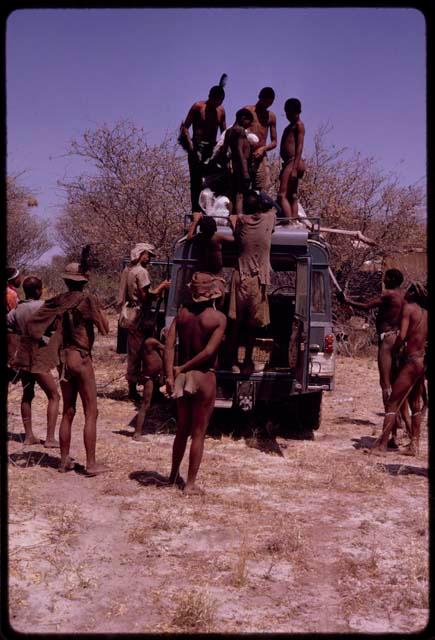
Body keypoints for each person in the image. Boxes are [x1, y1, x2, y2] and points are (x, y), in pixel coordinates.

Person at [27, 263, 109, 476]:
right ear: (84, 281)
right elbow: (106, 328)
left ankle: (64, 461)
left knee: (69, 411)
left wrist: (49, 340)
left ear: (66, 280)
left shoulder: (57, 301)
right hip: (81, 358)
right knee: (92, 412)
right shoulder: (87, 300)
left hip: (63, 359)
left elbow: (32, 326)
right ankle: (91, 464)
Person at [164, 272, 227, 495]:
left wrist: (172, 375)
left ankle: (172, 476)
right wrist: (184, 368)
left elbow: (169, 345)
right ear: (212, 292)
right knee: (198, 433)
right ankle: (190, 484)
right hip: (204, 377)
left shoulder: (181, 314)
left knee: (182, 429)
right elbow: (209, 351)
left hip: (182, 379)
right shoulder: (217, 318)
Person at [338, 268, 411, 443]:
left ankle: (391, 435)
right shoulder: (404, 296)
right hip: (399, 339)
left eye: (385, 276)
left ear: (391, 279)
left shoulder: (389, 294)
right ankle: (408, 432)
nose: (383, 279)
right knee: (398, 386)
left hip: (387, 341)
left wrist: (346, 300)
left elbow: (365, 306)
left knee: (386, 386)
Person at [370, 283, 428, 456]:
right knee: (415, 403)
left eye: (407, 290)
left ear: (411, 293)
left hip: (410, 361)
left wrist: (393, 349)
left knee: (392, 403)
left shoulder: (408, 309)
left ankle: (382, 446)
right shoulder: (426, 313)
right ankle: (414, 446)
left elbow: (401, 336)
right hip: (421, 361)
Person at [7, 276, 61, 447]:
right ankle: (50, 438)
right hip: (39, 355)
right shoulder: (44, 307)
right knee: (54, 395)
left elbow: (9, 326)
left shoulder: (17, 309)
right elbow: (55, 327)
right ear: (39, 290)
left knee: (27, 394)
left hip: (23, 355)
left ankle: (29, 435)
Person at [227, 190, 276, 373]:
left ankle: (233, 361)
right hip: (257, 279)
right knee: (252, 325)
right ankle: (247, 361)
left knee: (235, 324)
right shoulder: (269, 219)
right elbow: (274, 207)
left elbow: (234, 218)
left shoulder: (240, 221)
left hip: (240, 276)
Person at [119, 242, 170, 403]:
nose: (150, 259)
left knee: (133, 352)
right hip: (140, 316)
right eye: (148, 255)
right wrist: (162, 287)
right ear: (141, 254)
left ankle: (133, 389)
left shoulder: (128, 270)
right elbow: (146, 296)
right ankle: (149, 390)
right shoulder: (141, 272)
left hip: (131, 315)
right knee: (147, 351)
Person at [179, 79, 227, 215]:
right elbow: (185, 127)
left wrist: (222, 148)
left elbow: (224, 132)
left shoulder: (221, 111)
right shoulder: (198, 107)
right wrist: (190, 146)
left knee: (213, 180)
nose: (217, 103)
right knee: (196, 180)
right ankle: (196, 211)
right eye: (215, 100)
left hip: (212, 148)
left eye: (220, 101)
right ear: (209, 96)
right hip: (197, 146)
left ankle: (209, 210)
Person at [243, 87, 277, 192]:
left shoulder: (271, 116)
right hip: (245, 155)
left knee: (262, 187)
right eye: (265, 102)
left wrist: (263, 149)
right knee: (242, 186)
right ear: (259, 97)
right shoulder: (247, 110)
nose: (267, 105)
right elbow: (237, 131)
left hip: (260, 156)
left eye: (269, 103)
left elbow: (274, 142)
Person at [222, 108, 255, 215]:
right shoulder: (240, 131)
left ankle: (230, 217)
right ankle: (239, 220)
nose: (249, 125)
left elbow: (224, 150)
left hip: (234, 166)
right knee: (240, 195)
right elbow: (241, 151)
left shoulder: (228, 131)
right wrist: (245, 172)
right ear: (243, 118)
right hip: (241, 167)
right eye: (249, 122)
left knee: (232, 194)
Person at [277, 98, 306, 221]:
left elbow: (299, 147)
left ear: (297, 111)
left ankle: (289, 222)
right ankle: (294, 221)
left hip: (294, 161)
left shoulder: (299, 125)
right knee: (292, 195)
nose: (288, 116)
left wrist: (294, 168)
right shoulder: (290, 126)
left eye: (290, 113)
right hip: (289, 163)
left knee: (281, 195)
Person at [133, 337, 165, 442]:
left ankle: (137, 432)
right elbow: (167, 349)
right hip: (148, 378)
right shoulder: (150, 341)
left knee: (147, 404)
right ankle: (137, 434)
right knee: (145, 404)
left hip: (151, 377)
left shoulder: (150, 343)